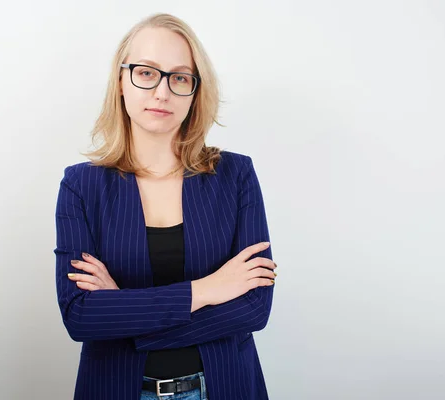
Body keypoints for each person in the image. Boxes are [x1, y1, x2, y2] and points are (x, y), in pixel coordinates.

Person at [53, 12, 277, 400]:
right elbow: (81, 316)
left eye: (179, 78)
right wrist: (207, 289)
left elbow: (254, 308)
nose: (162, 92)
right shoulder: (81, 185)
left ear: (195, 91)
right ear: (121, 81)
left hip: (223, 387)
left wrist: (124, 313)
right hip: (117, 389)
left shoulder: (236, 175)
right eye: (146, 72)